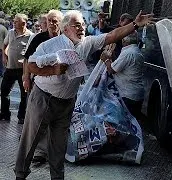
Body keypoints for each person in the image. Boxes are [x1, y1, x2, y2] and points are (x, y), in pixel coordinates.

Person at [14, 10, 153, 180]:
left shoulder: (87, 43)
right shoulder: (50, 45)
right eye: (77, 25)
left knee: (59, 146)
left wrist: (134, 25)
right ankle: (20, 175)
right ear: (66, 29)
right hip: (43, 98)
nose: (82, 28)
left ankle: (57, 178)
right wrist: (54, 70)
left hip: (66, 102)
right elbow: (33, 66)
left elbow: (112, 35)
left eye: (83, 25)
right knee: (30, 140)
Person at [23, 9, 63, 165]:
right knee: (36, 116)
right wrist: (26, 77)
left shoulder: (66, 39)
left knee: (54, 119)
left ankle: (49, 150)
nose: (51, 24)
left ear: (61, 23)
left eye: (55, 21)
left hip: (59, 87)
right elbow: (27, 59)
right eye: (49, 21)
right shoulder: (39, 38)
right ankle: (38, 150)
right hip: (39, 84)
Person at [104, 32, 145, 120]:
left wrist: (106, 59)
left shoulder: (128, 53)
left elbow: (112, 70)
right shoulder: (136, 51)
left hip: (128, 95)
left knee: (125, 123)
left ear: (124, 40)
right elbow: (118, 65)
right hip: (136, 93)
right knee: (133, 122)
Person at [0, 13, 32, 124]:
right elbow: (4, 44)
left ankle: (21, 116)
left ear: (23, 23)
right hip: (9, 68)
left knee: (24, 94)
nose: (14, 22)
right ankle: (5, 114)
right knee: (4, 91)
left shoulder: (30, 36)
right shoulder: (10, 32)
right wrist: (4, 55)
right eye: (14, 21)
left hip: (22, 69)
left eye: (16, 21)